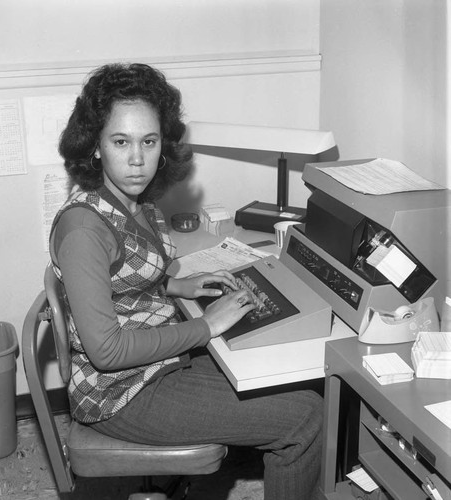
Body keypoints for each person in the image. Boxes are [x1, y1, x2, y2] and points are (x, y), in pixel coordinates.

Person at [50, 62, 323, 500]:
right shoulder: (85, 229)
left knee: (278, 374)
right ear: (96, 146)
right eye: (120, 141)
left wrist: (181, 287)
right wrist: (206, 325)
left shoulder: (132, 202)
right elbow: (107, 351)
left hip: (150, 364)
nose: (137, 158)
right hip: (119, 394)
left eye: (149, 141)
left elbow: (121, 285)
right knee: (306, 417)